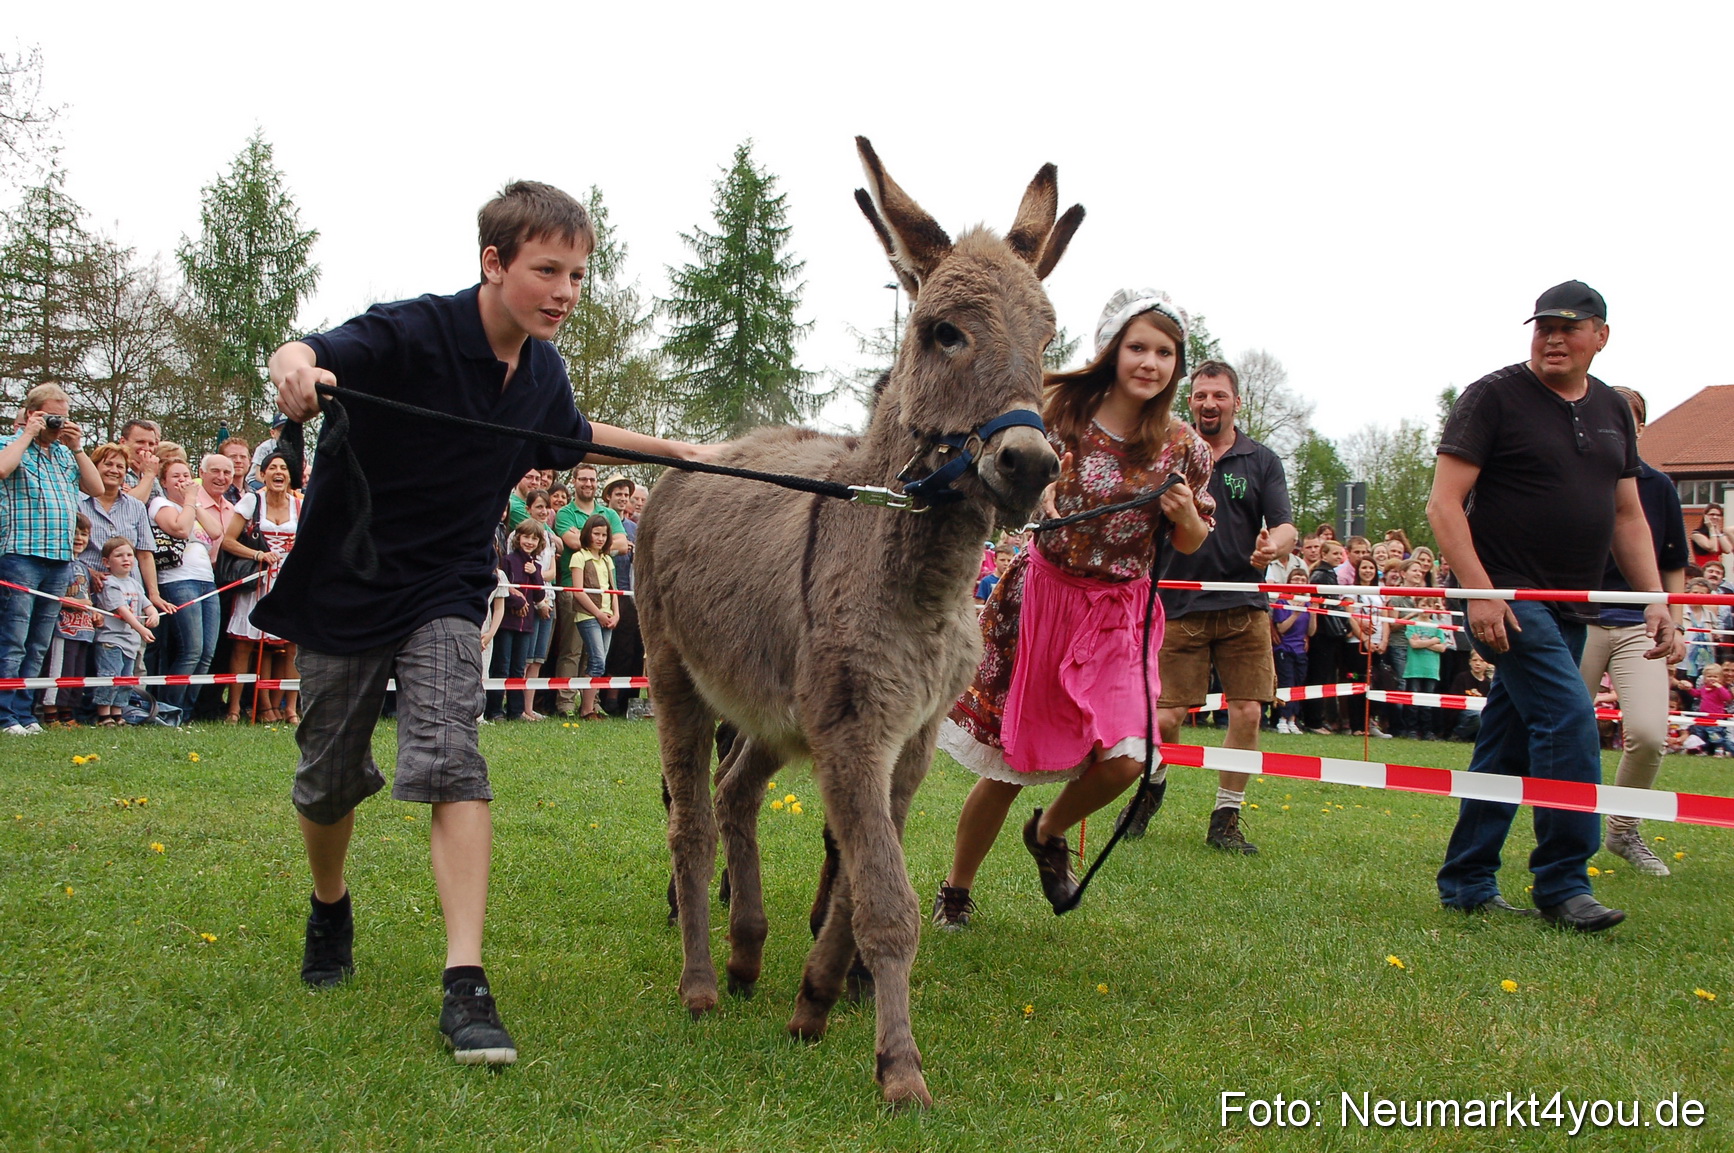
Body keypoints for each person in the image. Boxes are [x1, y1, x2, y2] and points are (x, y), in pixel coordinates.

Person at [259, 179, 713, 1065]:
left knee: (452, 756)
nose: (565, 291)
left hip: (448, 585)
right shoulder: (415, 330)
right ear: (493, 263)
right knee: (326, 777)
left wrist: (680, 451)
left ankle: (465, 981)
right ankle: (329, 904)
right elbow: (312, 349)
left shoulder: (542, 373)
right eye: (548, 270)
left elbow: (576, 434)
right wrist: (294, 364)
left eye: (579, 275)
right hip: (351, 579)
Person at [935, 288, 1214, 925]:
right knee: (1008, 766)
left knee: (1128, 760)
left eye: (1165, 352)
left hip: (1120, 614)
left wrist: (1184, 516)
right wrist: (1040, 498)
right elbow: (1007, 481)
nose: (1150, 361)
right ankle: (956, 891)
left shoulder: (1183, 447)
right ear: (1112, 349)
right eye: (1138, 346)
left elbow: (1195, 541)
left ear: (1177, 363)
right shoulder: (1062, 412)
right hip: (1043, 602)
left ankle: (1049, 831)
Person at [1431, 280, 1673, 932]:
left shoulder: (1613, 411)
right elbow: (1443, 503)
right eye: (1542, 326)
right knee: (1569, 719)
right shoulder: (1493, 396)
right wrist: (1480, 589)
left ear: (1601, 335)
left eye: (1568, 326)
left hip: (1570, 607)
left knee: (1507, 742)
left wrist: (1655, 598)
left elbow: (1627, 515)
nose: (1553, 337)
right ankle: (1564, 883)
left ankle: (1467, 880)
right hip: (1506, 597)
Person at [1119, 357, 1295, 852]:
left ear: (1236, 403)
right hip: (1176, 604)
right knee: (1165, 719)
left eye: (1219, 395)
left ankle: (1226, 819)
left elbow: (1286, 525)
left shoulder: (1262, 461)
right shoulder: (1167, 453)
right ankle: (1150, 789)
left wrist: (1274, 546)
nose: (1209, 403)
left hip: (1244, 605)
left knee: (1246, 712)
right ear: (1189, 401)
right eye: (1200, 395)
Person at [1576, 386, 1688, 875]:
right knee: (1563, 734)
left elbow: (1673, 563)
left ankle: (1622, 830)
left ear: (1639, 428)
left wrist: (1676, 624)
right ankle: (1565, 836)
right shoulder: (1570, 480)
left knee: (1647, 732)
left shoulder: (1659, 486)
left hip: (1639, 625)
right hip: (1575, 623)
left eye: (1631, 418)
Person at [0, 385, 104, 734]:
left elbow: (96, 488)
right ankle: (4, 714)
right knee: (13, 638)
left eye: (65, 415)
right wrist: (28, 433)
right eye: (52, 415)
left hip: (59, 558)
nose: (59, 423)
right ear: (33, 413)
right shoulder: (10, 444)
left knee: (39, 642)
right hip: (21, 554)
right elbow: (2, 469)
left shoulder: (63, 454)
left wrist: (76, 447)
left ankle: (25, 712)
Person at [221, 452, 301, 723]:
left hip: (289, 582)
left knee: (292, 645)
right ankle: (233, 709)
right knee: (245, 645)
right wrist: (257, 555)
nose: (279, 473)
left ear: (290, 476)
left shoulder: (300, 505)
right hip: (257, 579)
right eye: (273, 468)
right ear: (262, 474)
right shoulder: (251, 501)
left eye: (284, 469)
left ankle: (290, 709)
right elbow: (228, 541)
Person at [550, 463, 626, 715]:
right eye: (583, 479)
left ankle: (590, 704)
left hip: (604, 597)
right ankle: (565, 702)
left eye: (592, 480)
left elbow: (623, 543)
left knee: (594, 655)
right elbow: (573, 542)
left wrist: (600, 541)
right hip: (573, 591)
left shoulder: (609, 513)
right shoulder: (565, 513)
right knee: (572, 650)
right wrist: (598, 540)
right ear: (574, 481)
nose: (588, 484)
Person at [90, 537, 158, 726]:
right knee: (110, 675)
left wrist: (153, 615)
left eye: (129, 555)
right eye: (119, 556)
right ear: (106, 562)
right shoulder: (110, 584)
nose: (125, 559)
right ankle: (104, 715)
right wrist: (142, 629)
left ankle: (118, 713)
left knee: (127, 679)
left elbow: (147, 605)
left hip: (131, 641)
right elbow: (122, 610)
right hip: (111, 640)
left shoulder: (135, 583)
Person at [41, 515, 97, 725]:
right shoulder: (57, 564)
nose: (79, 538)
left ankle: (67, 713)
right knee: (58, 671)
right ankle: (50, 714)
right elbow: (49, 595)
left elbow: (87, 597)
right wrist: (73, 603)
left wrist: (94, 613)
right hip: (62, 628)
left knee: (75, 674)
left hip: (83, 629)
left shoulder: (83, 567)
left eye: (84, 534)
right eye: (75, 533)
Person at [569, 514, 618, 721]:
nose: (600, 538)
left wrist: (616, 614)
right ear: (587, 534)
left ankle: (591, 708)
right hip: (588, 615)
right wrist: (597, 613)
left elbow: (613, 589)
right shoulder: (579, 557)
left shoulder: (607, 559)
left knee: (600, 661)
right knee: (597, 660)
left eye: (604, 534)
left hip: (607, 615)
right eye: (596, 533)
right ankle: (586, 709)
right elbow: (578, 591)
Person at [1270, 564, 1312, 734]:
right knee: (1286, 683)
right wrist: (1295, 613)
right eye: (1296, 579)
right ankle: (1281, 718)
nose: (1299, 582)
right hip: (1284, 648)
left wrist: (1313, 613)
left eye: (1303, 579)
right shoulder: (1282, 602)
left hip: (1300, 650)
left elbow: (1311, 631)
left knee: (1298, 684)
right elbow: (1281, 628)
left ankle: (1293, 719)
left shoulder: (1308, 604)